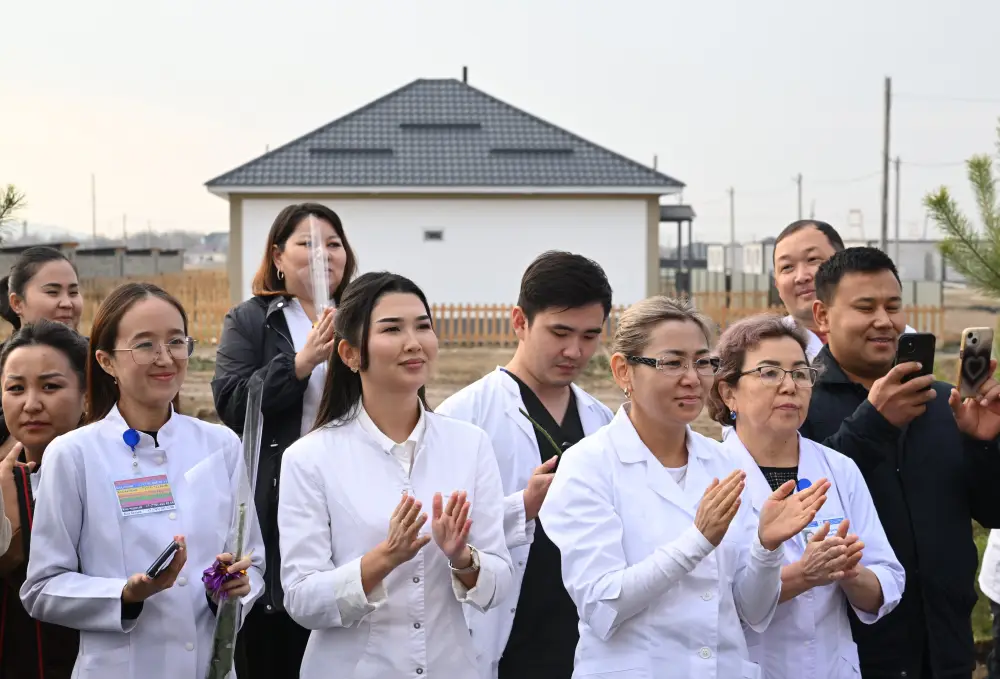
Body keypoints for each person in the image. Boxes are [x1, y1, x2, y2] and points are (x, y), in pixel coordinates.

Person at [539, 296, 830, 679]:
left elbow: (752, 611)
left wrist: (766, 547)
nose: (692, 378)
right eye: (672, 362)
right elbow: (602, 606)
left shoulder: (724, 462)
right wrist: (697, 540)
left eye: (703, 362)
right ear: (623, 371)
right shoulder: (588, 465)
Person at [21, 282, 265, 679]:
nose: (165, 357)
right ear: (106, 361)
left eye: (175, 342)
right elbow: (42, 589)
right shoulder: (74, 455)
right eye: (145, 345)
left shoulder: (220, 445)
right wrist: (125, 594)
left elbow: (252, 561)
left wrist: (230, 587)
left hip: (209, 667)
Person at [278, 272, 514, 679]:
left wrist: (463, 559)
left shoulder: (470, 444)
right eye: (392, 328)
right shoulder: (310, 457)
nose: (414, 342)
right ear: (351, 354)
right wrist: (385, 558)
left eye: (423, 326)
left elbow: (499, 584)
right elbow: (302, 600)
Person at [800, 247, 1000, 679]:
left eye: (893, 307)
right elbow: (802, 504)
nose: (884, 321)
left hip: (946, 647)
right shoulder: (799, 405)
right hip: (849, 653)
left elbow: (994, 511)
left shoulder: (944, 403)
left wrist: (983, 444)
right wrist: (873, 424)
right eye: (865, 307)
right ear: (822, 316)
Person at [436, 250, 614, 679]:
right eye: (560, 332)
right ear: (519, 321)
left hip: (582, 633)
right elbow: (435, 533)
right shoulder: (461, 417)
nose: (575, 350)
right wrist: (523, 507)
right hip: (502, 631)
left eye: (590, 336)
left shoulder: (603, 420)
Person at [709, 313, 905, 679]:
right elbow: (711, 602)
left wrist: (849, 572)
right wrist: (804, 574)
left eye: (800, 373)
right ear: (728, 391)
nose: (789, 386)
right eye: (769, 372)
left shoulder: (838, 468)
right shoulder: (707, 473)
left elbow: (887, 583)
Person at [211, 203, 356, 678]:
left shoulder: (361, 313)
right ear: (277, 256)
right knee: (285, 617)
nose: (324, 255)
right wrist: (299, 363)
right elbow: (232, 403)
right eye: (308, 244)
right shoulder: (253, 319)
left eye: (333, 244)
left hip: (353, 484)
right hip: (279, 493)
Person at [0, 320, 88, 678]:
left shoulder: (118, 473)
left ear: (87, 394)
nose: (31, 404)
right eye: (15, 388)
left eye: (50, 386)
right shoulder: (6, 478)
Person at [772, 220, 914, 360]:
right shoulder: (765, 345)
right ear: (777, 284)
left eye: (812, 259)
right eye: (787, 267)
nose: (801, 277)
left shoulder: (904, 340)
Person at [0, 246, 83, 456]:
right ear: (17, 303)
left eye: (73, 292)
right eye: (52, 292)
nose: (67, 303)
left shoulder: (104, 361)